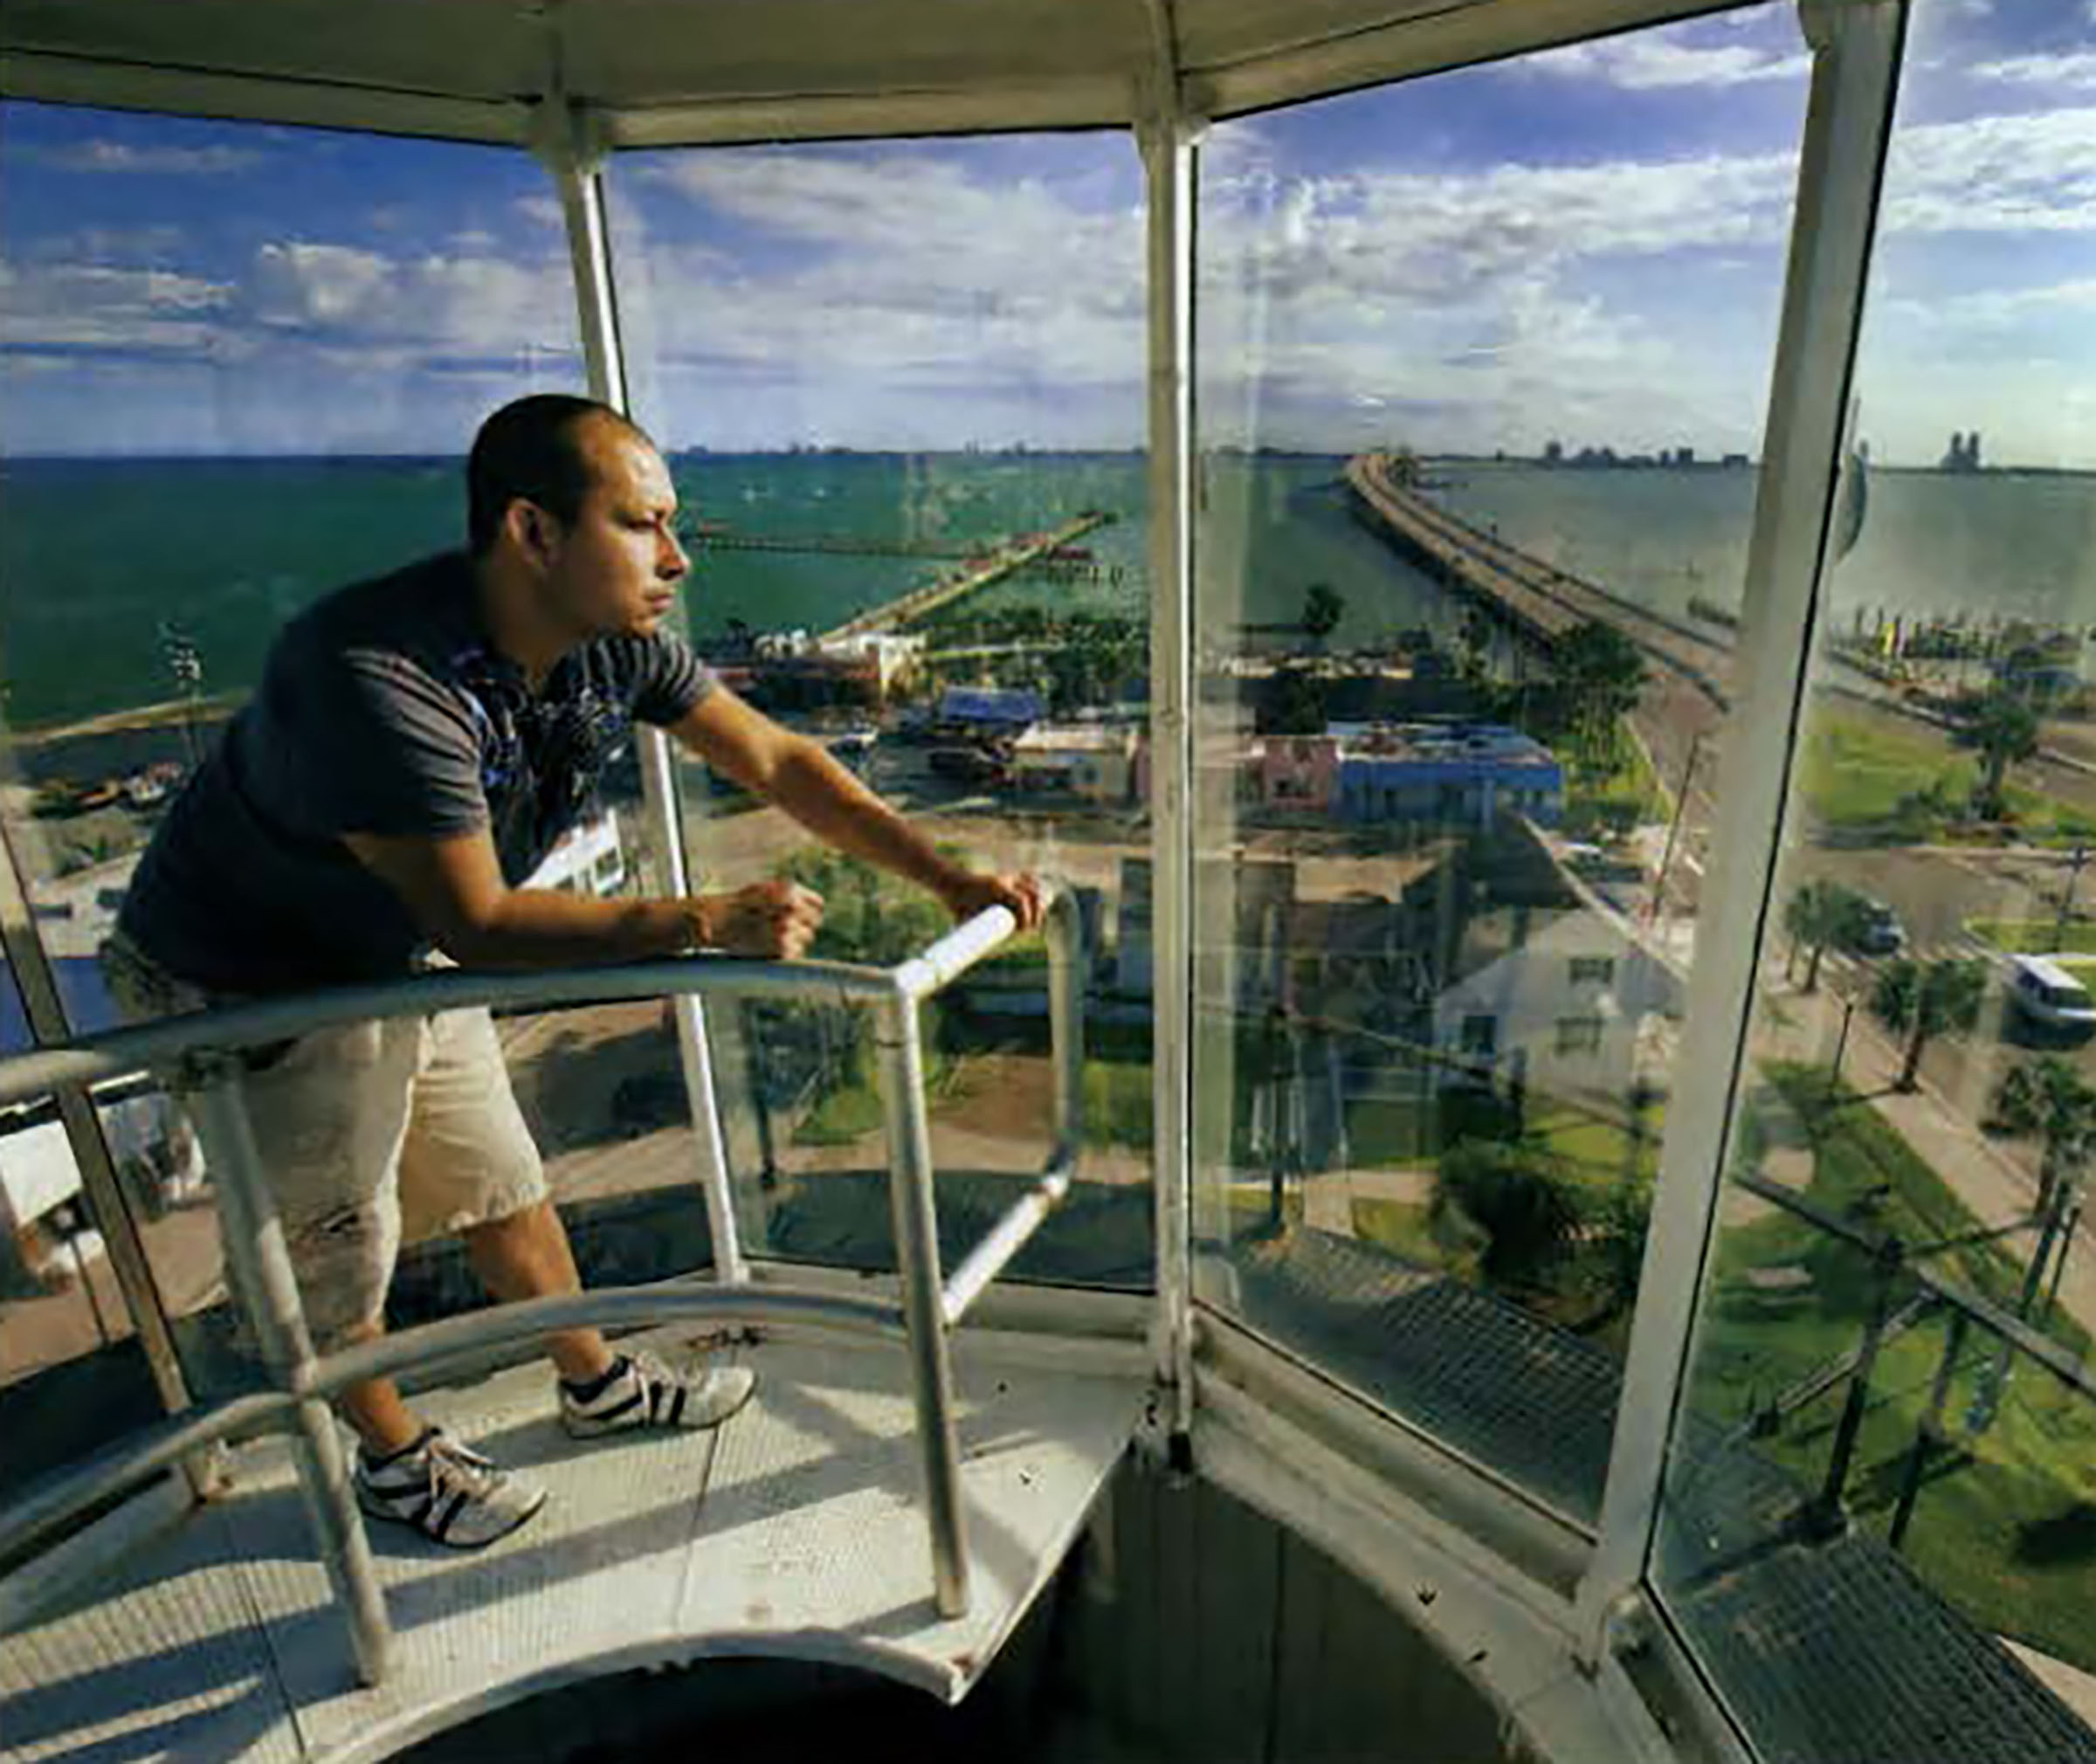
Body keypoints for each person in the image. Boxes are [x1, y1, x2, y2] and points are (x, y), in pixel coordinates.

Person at [104, 394, 1041, 1548]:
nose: (678, 555)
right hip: (251, 982)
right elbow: (486, 925)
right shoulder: (381, 682)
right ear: (533, 534)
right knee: (334, 1246)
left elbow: (778, 759)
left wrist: (944, 880)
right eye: (644, 524)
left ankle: (596, 1385)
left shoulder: (611, 647)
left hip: (390, 951)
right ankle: (394, 1461)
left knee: (501, 1181)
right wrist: (704, 919)